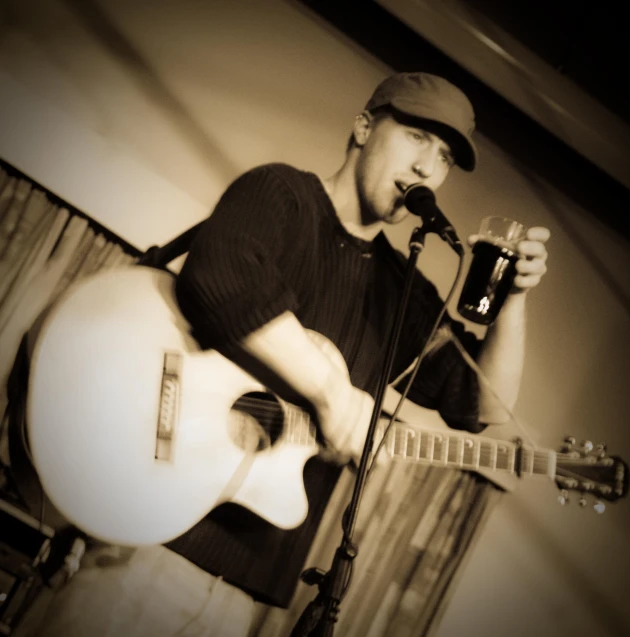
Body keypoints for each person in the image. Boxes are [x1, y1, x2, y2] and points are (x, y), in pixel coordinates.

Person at [19, 72, 549, 637]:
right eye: (418, 137)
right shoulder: (280, 195)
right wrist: (332, 393)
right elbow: (221, 277)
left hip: (247, 593)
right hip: (144, 541)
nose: (427, 169)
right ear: (364, 126)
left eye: (443, 158)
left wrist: (515, 301)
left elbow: (482, 405)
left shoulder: (402, 290)